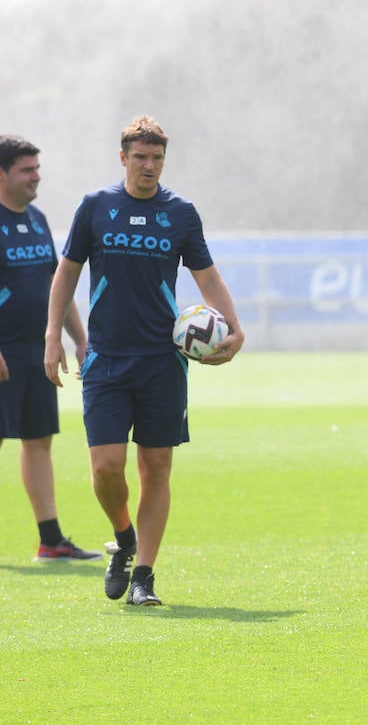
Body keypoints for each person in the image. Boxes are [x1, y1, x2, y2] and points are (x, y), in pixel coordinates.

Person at [44, 115, 244, 607]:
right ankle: (124, 537)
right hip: (106, 358)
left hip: (163, 360)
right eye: (141, 157)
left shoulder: (181, 213)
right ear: (123, 158)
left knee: (156, 467)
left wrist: (235, 329)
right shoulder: (95, 207)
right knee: (107, 468)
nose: (149, 166)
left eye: (157, 158)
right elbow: (66, 274)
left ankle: (145, 578)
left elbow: (207, 278)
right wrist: (53, 336)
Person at [0, 134, 98, 566]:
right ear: (1, 174)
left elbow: (59, 284)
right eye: (27, 170)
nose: (37, 177)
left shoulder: (36, 219)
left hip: (36, 351)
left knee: (38, 441)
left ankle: (50, 541)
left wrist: (78, 336)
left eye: (37, 168)